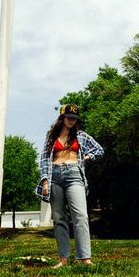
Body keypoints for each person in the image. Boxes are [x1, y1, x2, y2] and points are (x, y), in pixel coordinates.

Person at [35, 104, 104, 268]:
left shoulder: (81, 136)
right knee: (59, 218)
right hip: (55, 176)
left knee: (80, 215)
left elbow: (99, 150)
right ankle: (63, 259)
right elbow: (44, 160)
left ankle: (84, 258)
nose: (72, 121)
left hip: (74, 174)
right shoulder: (51, 137)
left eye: (74, 118)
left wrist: (84, 159)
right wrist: (45, 181)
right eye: (69, 118)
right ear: (62, 118)